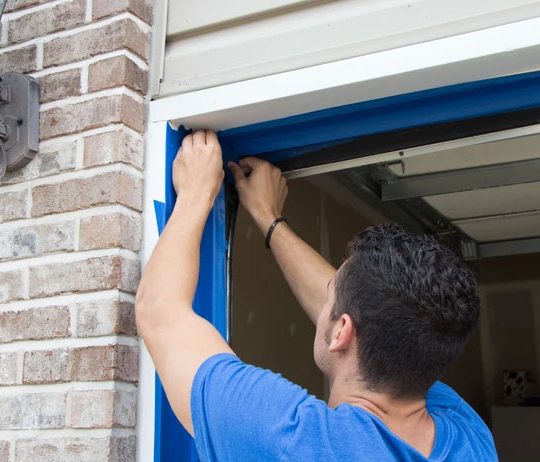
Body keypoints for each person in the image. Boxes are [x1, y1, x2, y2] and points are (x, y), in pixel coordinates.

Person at [135, 130, 498, 461]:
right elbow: (373, 311)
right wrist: (268, 218)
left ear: (342, 331)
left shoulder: (294, 440)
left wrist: (196, 193)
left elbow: (160, 312)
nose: (324, 298)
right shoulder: (470, 438)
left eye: (331, 295)